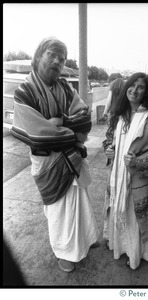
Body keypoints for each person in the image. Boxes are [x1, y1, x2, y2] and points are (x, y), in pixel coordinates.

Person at [11, 37, 99, 272]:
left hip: (72, 161)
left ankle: (84, 241)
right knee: (59, 210)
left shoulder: (65, 88)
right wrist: (73, 134)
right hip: (47, 164)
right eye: (53, 55)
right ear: (39, 56)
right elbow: (36, 134)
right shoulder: (24, 92)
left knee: (78, 203)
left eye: (62, 58)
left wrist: (60, 122)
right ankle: (64, 253)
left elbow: (84, 118)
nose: (58, 61)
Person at [102, 72, 148, 270]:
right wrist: (109, 149)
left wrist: (139, 161)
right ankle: (121, 246)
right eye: (131, 85)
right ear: (126, 88)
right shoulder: (118, 115)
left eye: (140, 87)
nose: (134, 90)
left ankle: (138, 253)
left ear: (146, 92)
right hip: (117, 176)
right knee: (120, 209)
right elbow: (109, 139)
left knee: (135, 217)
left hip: (140, 182)